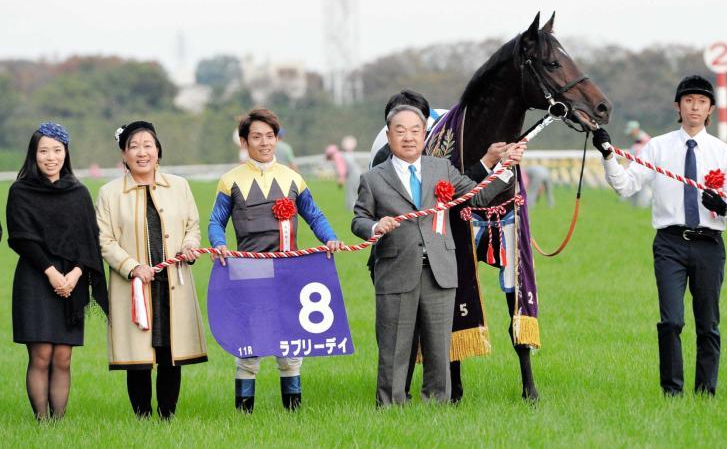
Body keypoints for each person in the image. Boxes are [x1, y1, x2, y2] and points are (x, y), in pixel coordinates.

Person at [351, 105, 525, 406]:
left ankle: (436, 404)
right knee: (394, 344)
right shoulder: (374, 178)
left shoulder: (440, 169)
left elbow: (478, 195)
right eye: (400, 131)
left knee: (439, 345)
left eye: (415, 131)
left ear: (424, 135)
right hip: (395, 270)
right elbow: (358, 220)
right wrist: (376, 226)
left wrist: (505, 167)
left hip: (441, 270)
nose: (408, 137)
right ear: (389, 136)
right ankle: (390, 404)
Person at [592, 75, 727, 396]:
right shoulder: (657, 147)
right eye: (688, 101)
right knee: (672, 321)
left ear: (710, 110)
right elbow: (625, 186)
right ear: (678, 106)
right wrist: (607, 156)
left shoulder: (723, 152)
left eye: (701, 102)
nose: (694, 107)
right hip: (670, 244)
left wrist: (724, 206)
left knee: (708, 323)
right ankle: (672, 391)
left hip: (709, 245)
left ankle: (706, 392)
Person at [208, 108, 345, 413]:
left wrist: (330, 238)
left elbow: (315, 215)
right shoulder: (230, 181)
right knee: (250, 345)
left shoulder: (293, 178)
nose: (265, 142)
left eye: (270, 136)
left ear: (277, 139)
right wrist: (219, 244)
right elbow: (216, 221)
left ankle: (292, 411)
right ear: (245, 141)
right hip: (249, 273)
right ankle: (244, 413)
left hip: (289, 273)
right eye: (257, 136)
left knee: (290, 345)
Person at [96, 121, 207, 419]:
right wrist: (132, 267)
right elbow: (104, 240)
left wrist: (189, 246)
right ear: (123, 154)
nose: (142, 152)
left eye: (148, 145)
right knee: (139, 354)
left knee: (171, 350)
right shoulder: (109, 193)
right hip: (134, 285)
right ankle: (142, 417)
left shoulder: (179, 186)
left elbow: (192, 226)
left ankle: (167, 416)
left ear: (158, 150)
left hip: (173, 280)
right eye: (134, 146)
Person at [8, 123, 108, 421]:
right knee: (40, 355)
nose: (50, 157)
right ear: (33, 154)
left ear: (66, 153)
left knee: (63, 357)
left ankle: (59, 424)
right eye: (43, 151)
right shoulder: (20, 191)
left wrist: (76, 274)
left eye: (57, 150)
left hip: (71, 280)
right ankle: (41, 422)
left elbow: (90, 240)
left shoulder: (78, 192)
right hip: (35, 278)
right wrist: (51, 272)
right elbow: (21, 238)